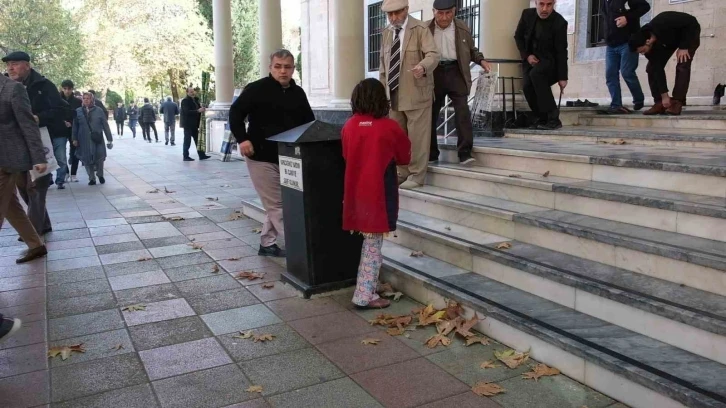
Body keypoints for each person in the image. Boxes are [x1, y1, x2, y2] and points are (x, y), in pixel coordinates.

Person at [229, 49, 315, 257]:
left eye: (287, 67)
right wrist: (243, 138)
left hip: (289, 158)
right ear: (270, 68)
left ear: (293, 69)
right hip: (260, 157)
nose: (282, 71)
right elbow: (235, 113)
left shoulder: (298, 93)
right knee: (278, 205)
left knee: (279, 203)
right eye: (278, 66)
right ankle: (302, 250)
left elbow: (309, 123)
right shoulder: (256, 89)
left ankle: (267, 243)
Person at [342, 78, 411, 309]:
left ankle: (370, 283)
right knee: (373, 245)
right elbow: (404, 156)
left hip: (355, 192)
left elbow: (345, 155)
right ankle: (364, 294)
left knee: (368, 241)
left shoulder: (349, 125)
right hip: (379, 193)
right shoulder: (389, 126)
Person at [379, 0, 439, 190]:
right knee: (398, 138)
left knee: (418, 138)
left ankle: (417, 175)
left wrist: (423, 66)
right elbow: (383, 66)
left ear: (406, 9)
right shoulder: (387, 32)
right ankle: (402, 172)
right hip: (394, 95)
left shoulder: (420, 29)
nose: (393, 18)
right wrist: (382, 93)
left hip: (417, 93)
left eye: (396, 13)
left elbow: (433, 54)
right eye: (389, 14)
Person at [427, 0, 491, 165]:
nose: (444, 17)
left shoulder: (462, 27)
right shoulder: (425, 29)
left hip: (457, 71)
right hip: (434, 73)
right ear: (433, 11)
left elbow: (471, 50)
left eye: (448, 13)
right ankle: (431, 154)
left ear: (454, 11)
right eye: (440, 13)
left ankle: (464, 153)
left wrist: (481, 61)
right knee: (430, 114)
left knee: (462, 112)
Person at [0, 72, 48, 265]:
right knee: (11, 206)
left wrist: (39, 157)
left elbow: (28, 125)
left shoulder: (13, 88)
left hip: (7, 159)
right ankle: (36, 245)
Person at [3, 51, 68, 190]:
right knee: (22, 191)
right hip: (13, 147)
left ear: (27, 65)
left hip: (42, 141)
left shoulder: (44, 85)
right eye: (8, 65)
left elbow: (61, 109)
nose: (10, 68)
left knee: (35, 190)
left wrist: (39, 118)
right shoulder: (4, 86)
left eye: (14, 64)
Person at [629, 11, 701, 116]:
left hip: (689, 32)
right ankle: (659, 103)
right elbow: (658, 69)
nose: (643, 54)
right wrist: (664, 96)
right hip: (669, 42)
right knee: (651, 68)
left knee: (683, 63)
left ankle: (677, 102)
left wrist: (684, 46)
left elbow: (691, 22)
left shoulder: (663, 21)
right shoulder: (649, 49)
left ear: (647, 41)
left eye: (642, 51)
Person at [514, 0, 569, 130]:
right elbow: (518, 37)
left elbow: (561, 51)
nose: (545, 9)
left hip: (550, 61)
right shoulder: (527, 14)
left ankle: (554, 118)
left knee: (536, 74)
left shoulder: (559, 22)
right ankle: (541, 118)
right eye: (542, 4)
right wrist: (527, 56)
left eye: (549, 4)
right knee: (527, 87)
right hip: (530, 59)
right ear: (536, 3)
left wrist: (563, 77)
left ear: (554, 3)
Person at [600, 0, 650, 115]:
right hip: (611, 44)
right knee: (610, 75)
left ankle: (638, 99)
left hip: (627, 42)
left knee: (627, 72)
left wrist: (627, 17)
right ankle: (616, 105)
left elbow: (645, 6)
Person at [73, 92, 113, 185]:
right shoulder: (78, 111)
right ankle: (91, 178)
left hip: (97, 138)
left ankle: (100, 174)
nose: (86, 100)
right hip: (83, 139)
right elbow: (75, 126)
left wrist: (109, 139)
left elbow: (105, 125)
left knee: (100, 157)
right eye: (84, 98)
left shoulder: (99, 110)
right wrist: (74, 138)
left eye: (88, 98)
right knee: (86, 159)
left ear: (92, 100)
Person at [180, 88, 211, 161]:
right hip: (188, 124)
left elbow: (199, 109)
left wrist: (202, 108)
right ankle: (185, 156)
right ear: (187, 92)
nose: (192, 93)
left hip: (194, 124)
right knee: (187, 140)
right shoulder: (185, 101)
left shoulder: (195, 100)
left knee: (197, 140)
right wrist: (198, 111)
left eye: (193, 91)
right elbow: (186, 112)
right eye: (191, 92)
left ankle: (201, 155)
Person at [60, 80, 82, 183]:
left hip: (74, 129)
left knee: (75, 152)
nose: (67, 91)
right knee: (61, 153)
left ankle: (73, 174)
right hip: (61, 129)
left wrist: (72, 123)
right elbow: (54, 113)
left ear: (72, 89)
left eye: (69, 89)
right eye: (65, 88)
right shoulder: (57, 100)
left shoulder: (77, 102)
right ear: (62, 88)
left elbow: (79, 116)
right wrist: (63, 121)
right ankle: (66, 172)